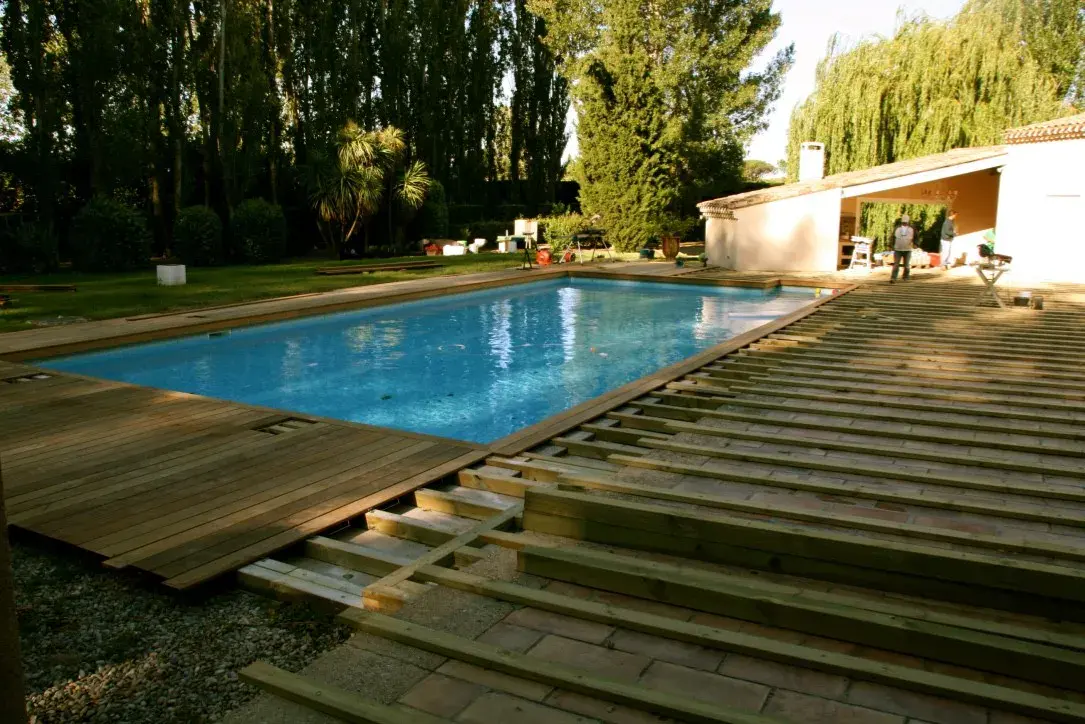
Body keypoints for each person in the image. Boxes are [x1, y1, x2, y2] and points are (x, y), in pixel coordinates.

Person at [890, 214, 915, 283]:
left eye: (906, 222)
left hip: (908, 249)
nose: (905, 223)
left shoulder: (912, 229)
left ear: (908, 222)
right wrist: (891, 245)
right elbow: (892, 237)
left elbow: (915, 236)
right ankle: (893, 278)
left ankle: (906, 277)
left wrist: (916, 244)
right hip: (898, 249)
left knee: (906, 265)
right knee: (896, 264)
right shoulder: (897, 228)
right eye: (904, 222)